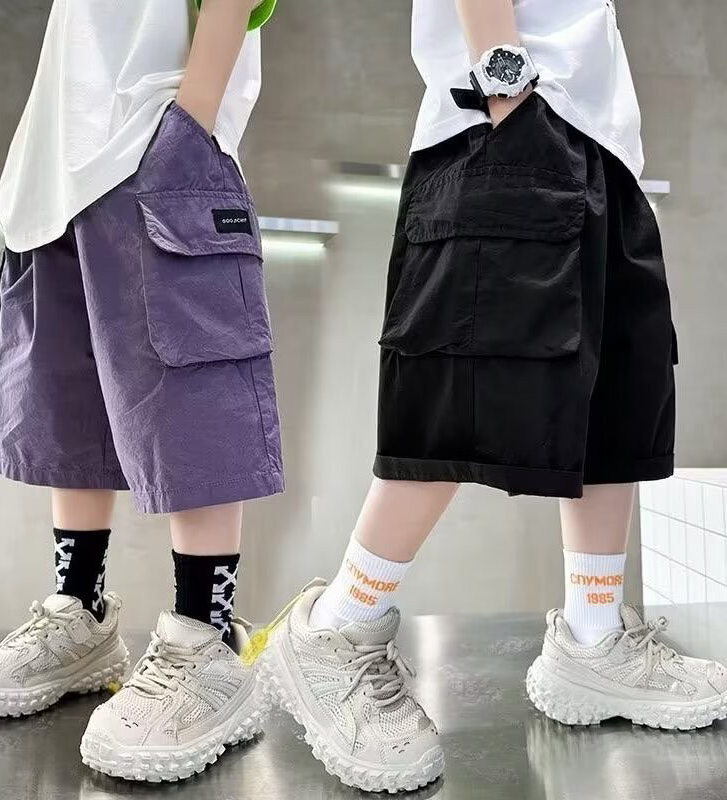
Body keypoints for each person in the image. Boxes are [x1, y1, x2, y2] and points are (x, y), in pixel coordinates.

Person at [259, 0, 727, 793]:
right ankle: (338, 626)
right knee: (456, 390)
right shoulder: (509, 104)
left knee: (615, 398)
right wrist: (507, 91)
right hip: (503, 122)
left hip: (603, 144)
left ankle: (593, 637)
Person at [0, 0, 283, 783]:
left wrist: (188, 124)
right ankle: (80, 614)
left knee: (193, 395)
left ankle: (206, 637)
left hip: (155, 140)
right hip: (53, 166)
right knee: (68, 401)